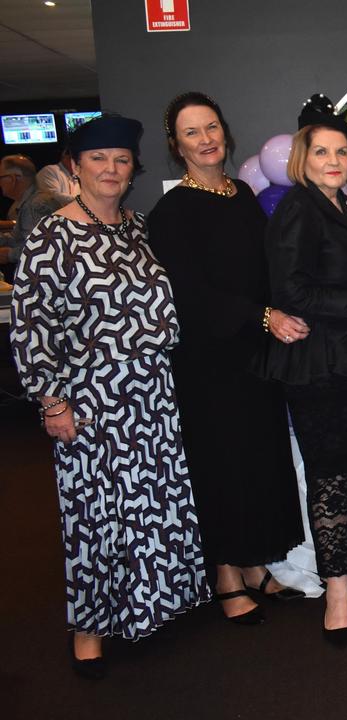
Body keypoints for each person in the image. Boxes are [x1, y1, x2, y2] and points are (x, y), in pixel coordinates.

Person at [8, 115, 208, 678]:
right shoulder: (51, 236)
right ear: (76, 166)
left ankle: (154, 607)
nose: (111, 170)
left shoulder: (139, 226)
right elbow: (31, 326)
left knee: (154, 507)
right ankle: (91, 628)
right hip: (91, 397)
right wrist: (51, 401)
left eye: (121, 160)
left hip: (153, 393)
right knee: (96, 517)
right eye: (98, 159)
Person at [147, 92, 306, 625]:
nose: (206, 139)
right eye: (192, 132)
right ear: (176, 145)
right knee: (221, 465)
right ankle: (226, 576)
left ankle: (256, 562)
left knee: (258, 461)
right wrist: (264, 316)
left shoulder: (240, 193)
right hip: (209, 361)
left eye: (211, 127)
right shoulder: (171, 212)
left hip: (255, 356)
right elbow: (190, 292)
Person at [262, 94, 347, 646]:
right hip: (318, 364)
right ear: (303, 156)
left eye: (342, 151)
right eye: (322, 151)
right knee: (331, 476)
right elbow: (288, 288)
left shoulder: (343, 206)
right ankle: (334, 587)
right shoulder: (298, 206)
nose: (334, 160)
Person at [1, 154, 66, 264]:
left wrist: (9, 254)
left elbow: (42, 248)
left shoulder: (35, 205)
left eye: (1, 177)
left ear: (13, 179)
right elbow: (18, 238)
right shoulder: (31, 201)